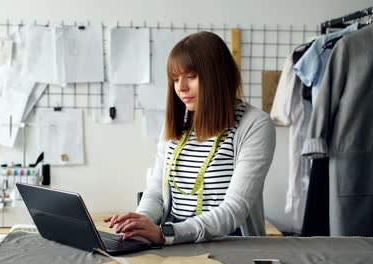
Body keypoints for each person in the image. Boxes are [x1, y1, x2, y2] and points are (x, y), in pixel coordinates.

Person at [104, 31, 276, 245]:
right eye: (175, 79)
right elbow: (156, 192)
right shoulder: (175, 124)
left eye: (191, 77)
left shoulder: (255, 125)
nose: (181, 87)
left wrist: (166, 233)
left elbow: (235, 209)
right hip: (172, 238)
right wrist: (141, 224)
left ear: (217, 75)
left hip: (228, 242)